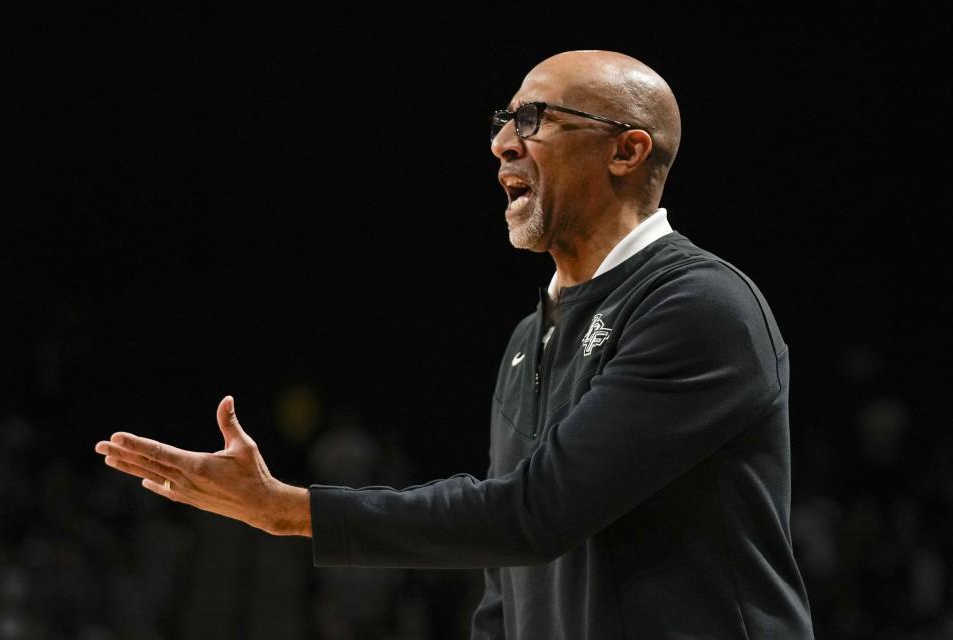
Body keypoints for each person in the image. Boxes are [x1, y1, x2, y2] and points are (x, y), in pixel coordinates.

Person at [95, 50, 815, 639]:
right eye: (506, 120)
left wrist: (289, 508)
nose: (503, 141)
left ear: (626, 151)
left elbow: (532, 514)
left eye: (535, 120)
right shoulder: (528, 339)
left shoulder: (700, 307)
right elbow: (506, 583)